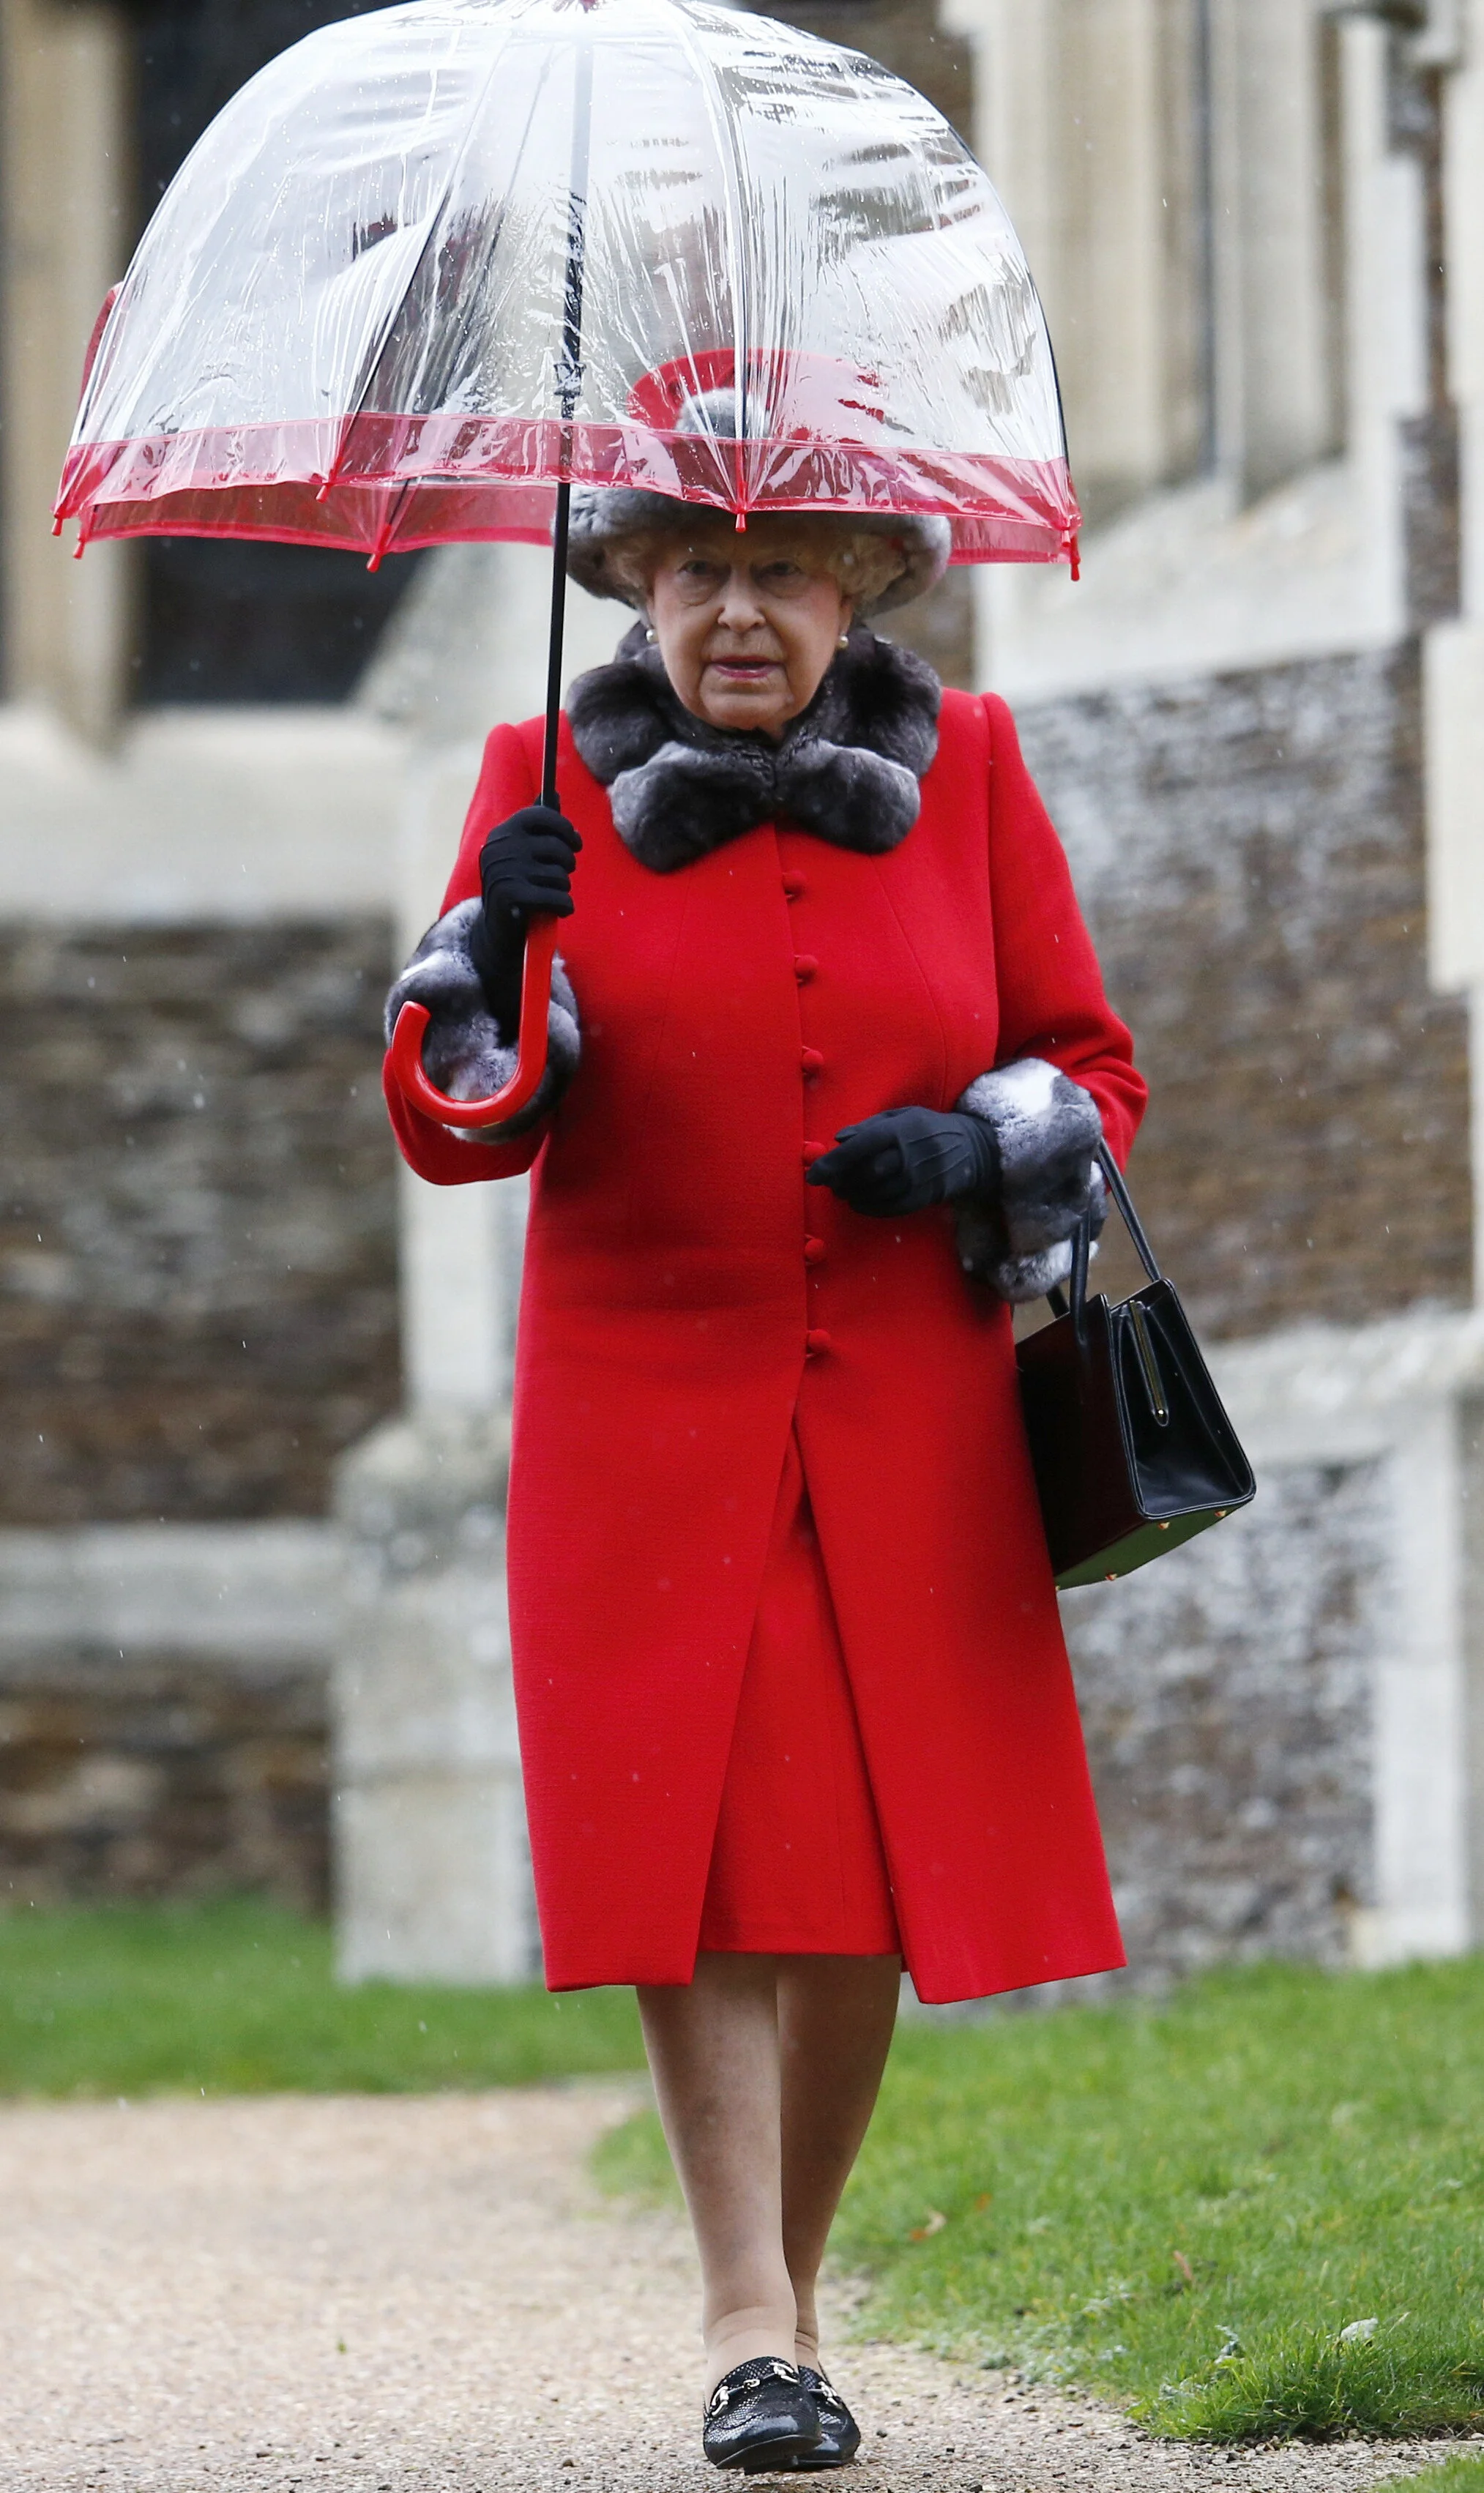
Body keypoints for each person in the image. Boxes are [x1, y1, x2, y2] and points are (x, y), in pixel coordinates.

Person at [383, 417, 1146, 2472]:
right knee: (698, 1847)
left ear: (862, 587)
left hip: (909, 1408)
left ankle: (785, 2296)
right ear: (630, 578)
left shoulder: (972, 769)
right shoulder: (537, 783)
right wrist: (494, 959)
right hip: (646, 1403)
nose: (738, 610)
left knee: (857, 1873)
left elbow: (1089, 1061)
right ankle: (748, 2316)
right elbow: (468, 1121)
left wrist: (979, 1142)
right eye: (697, 569)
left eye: (788, 570)